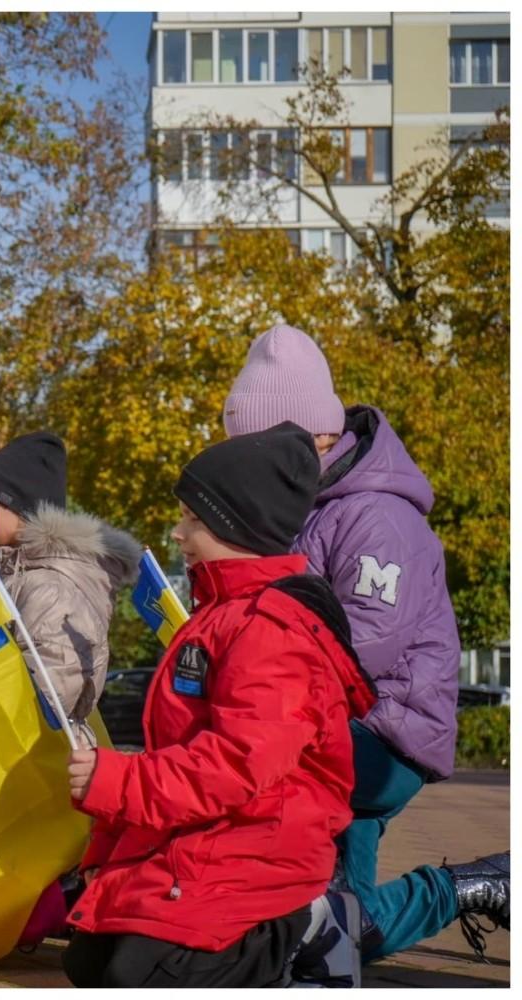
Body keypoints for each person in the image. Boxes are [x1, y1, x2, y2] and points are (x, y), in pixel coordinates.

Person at [223, 323, 507, 958]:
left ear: (307, 437)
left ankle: (460, 888)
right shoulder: (306, 507)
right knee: (332, 940)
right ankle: (474, 887)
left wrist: (252, 681)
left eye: (254, 448)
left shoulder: (374, 515)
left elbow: (364, 647)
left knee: (305, 920)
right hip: (340, 725)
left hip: (381, 733)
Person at [63, 423, 378, 987]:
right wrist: (105, 853)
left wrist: (117, 783)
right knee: (88, 960)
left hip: (262, 845)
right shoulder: (221, 612)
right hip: (216, 833)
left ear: (239, 528)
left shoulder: (271, 629)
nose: (179, 534)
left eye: (195, 521)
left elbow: (236, 764)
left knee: (139, 976)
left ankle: (311, 926)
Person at [0, 432, 140, 723]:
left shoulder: (50, 589)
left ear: (15, 506)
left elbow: (50, 696)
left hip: (29, 756)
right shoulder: (19, 570)